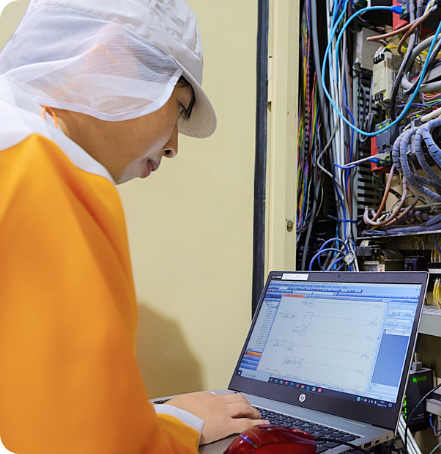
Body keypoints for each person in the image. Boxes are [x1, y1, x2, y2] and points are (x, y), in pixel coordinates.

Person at [0, 0, 266, 452]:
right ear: (109, 57)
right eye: (179, 108)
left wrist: (156, 417)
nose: (173, 146)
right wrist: (180, 426)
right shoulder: (46, 176)